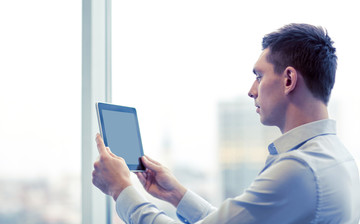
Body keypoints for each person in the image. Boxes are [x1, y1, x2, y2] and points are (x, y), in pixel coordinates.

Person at [92, 23, 360, 223]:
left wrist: (121, 189)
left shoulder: (299, 169)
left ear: (289, 80)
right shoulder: (337, 157)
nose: (251, 90)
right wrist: (176, 195)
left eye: (259, 76)